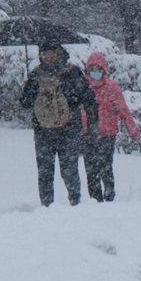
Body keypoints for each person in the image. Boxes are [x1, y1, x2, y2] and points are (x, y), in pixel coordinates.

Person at [20, 41, 98, 207]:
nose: (48, 57)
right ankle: (48, 206)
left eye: (51, 53)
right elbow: (25, 102)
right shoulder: (37, 75)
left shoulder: (71, 73)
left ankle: (74, 203)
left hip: (66, 131)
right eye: (44, 53)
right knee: (46, 172)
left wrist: (92, 123)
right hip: (46, 132)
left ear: (59, 53)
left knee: (67, 171)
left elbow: (88, 98)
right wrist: (30, 88)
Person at [80, 52, 141, 202]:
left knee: (106, 165)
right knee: (91, 169)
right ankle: (95, 198)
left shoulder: (111, 87)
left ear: (104, 71)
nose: (95, 73)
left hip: (107, 134)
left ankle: (109, 194)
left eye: (98, 69)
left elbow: (123, 110)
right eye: (92, 69)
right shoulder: (83, 87)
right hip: (87, 134)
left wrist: (133, 130)